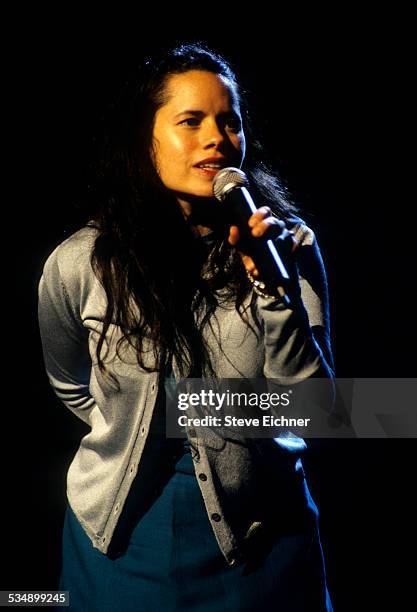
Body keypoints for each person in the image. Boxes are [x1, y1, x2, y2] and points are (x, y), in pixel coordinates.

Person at [38, 43, 334, 611]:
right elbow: (69, 381)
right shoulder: (80, 262)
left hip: (263, 539)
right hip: (122, 543)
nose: (217, 139)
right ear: (144, 137)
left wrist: (272, 289)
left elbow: (320, 413)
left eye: (230, 122)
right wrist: (132, 423)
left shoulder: (288, 246)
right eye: (190, 121)